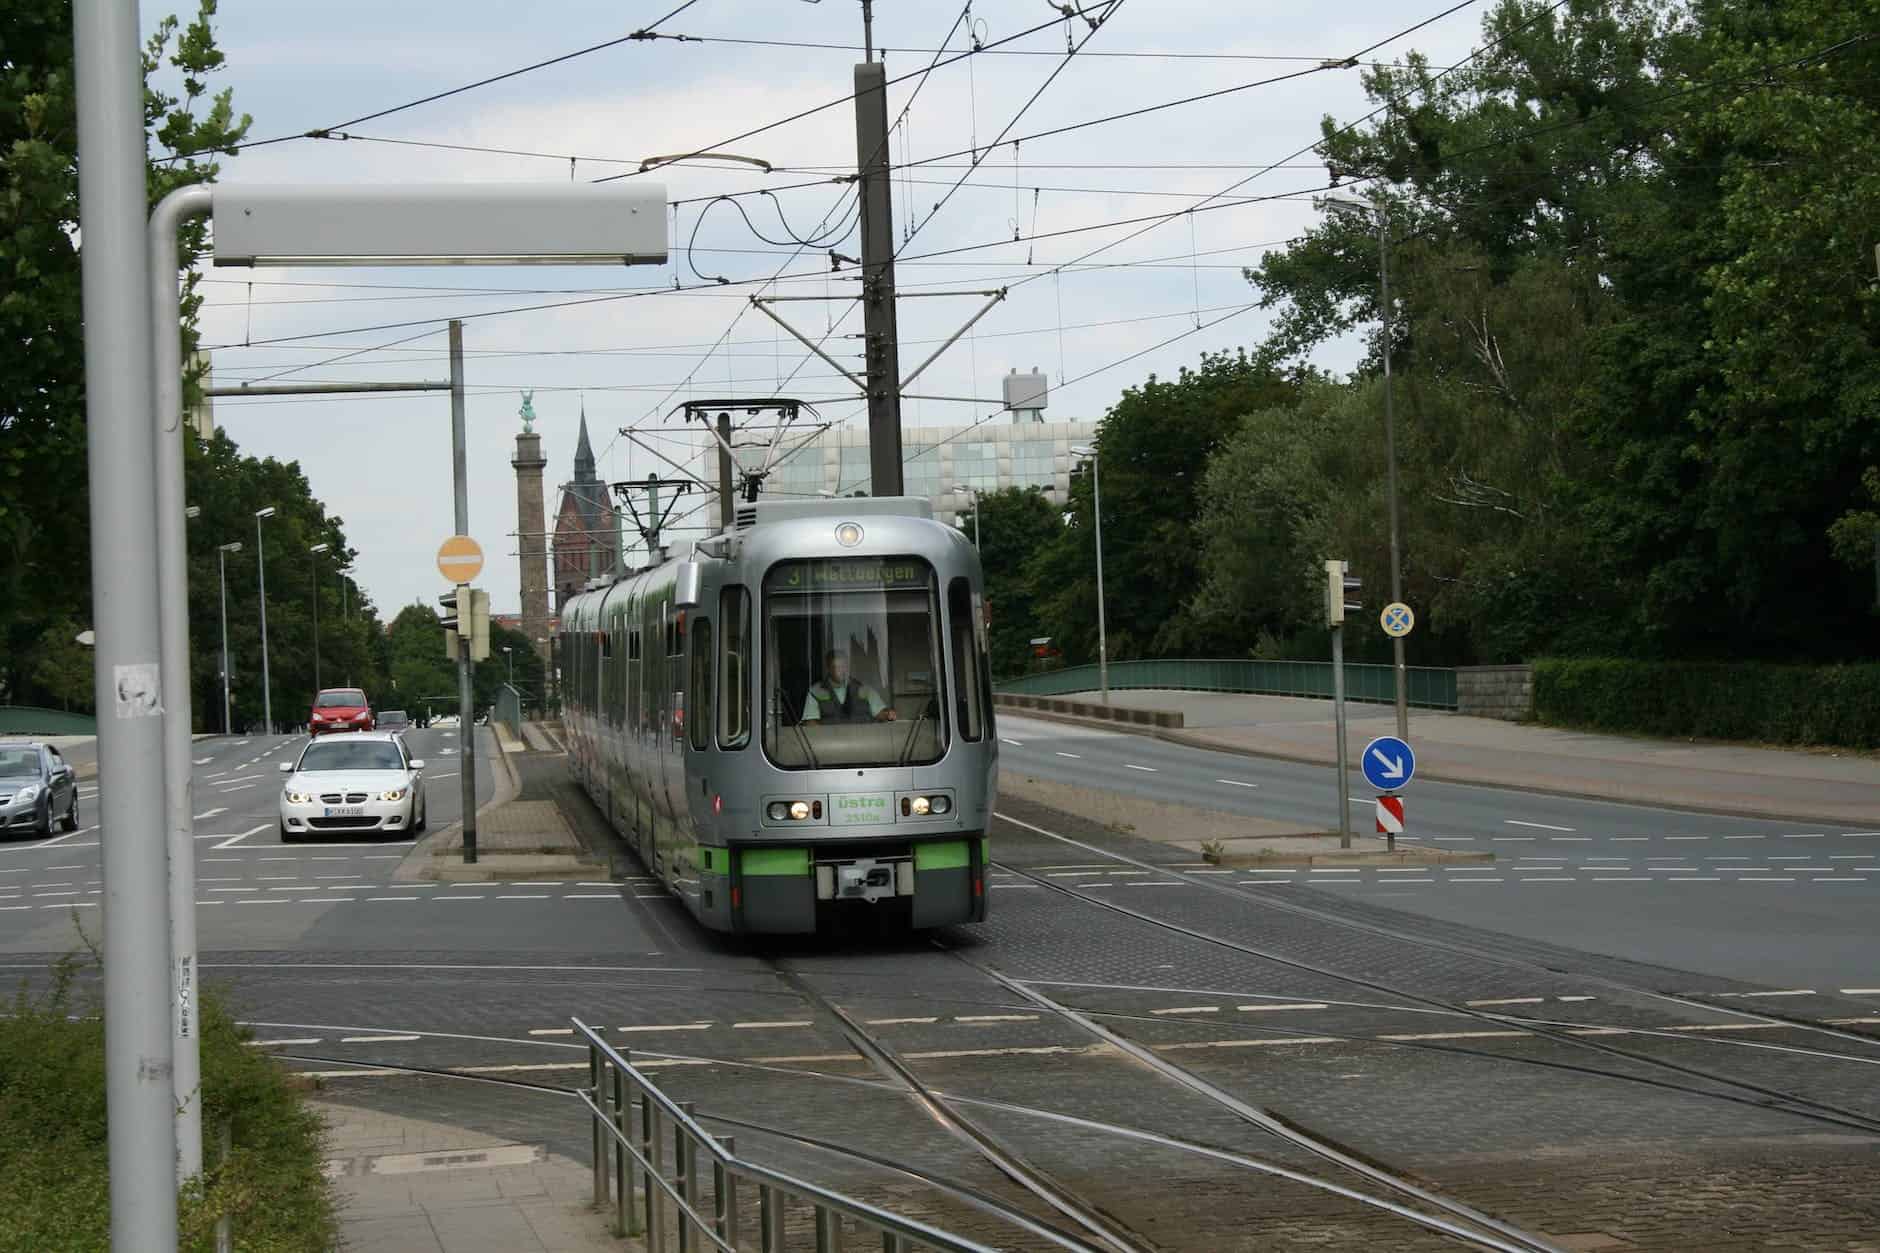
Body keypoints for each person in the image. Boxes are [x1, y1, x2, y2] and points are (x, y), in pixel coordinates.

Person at [801, 650, 897, 724]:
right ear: (829, 668)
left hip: (863, 743)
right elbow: (811, 724)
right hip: (831, 745)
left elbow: (880, 713)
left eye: (844, 666)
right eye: (837, 667)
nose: (842, 671)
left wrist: (887, 714)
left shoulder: (864, 689)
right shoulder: (815, 692)